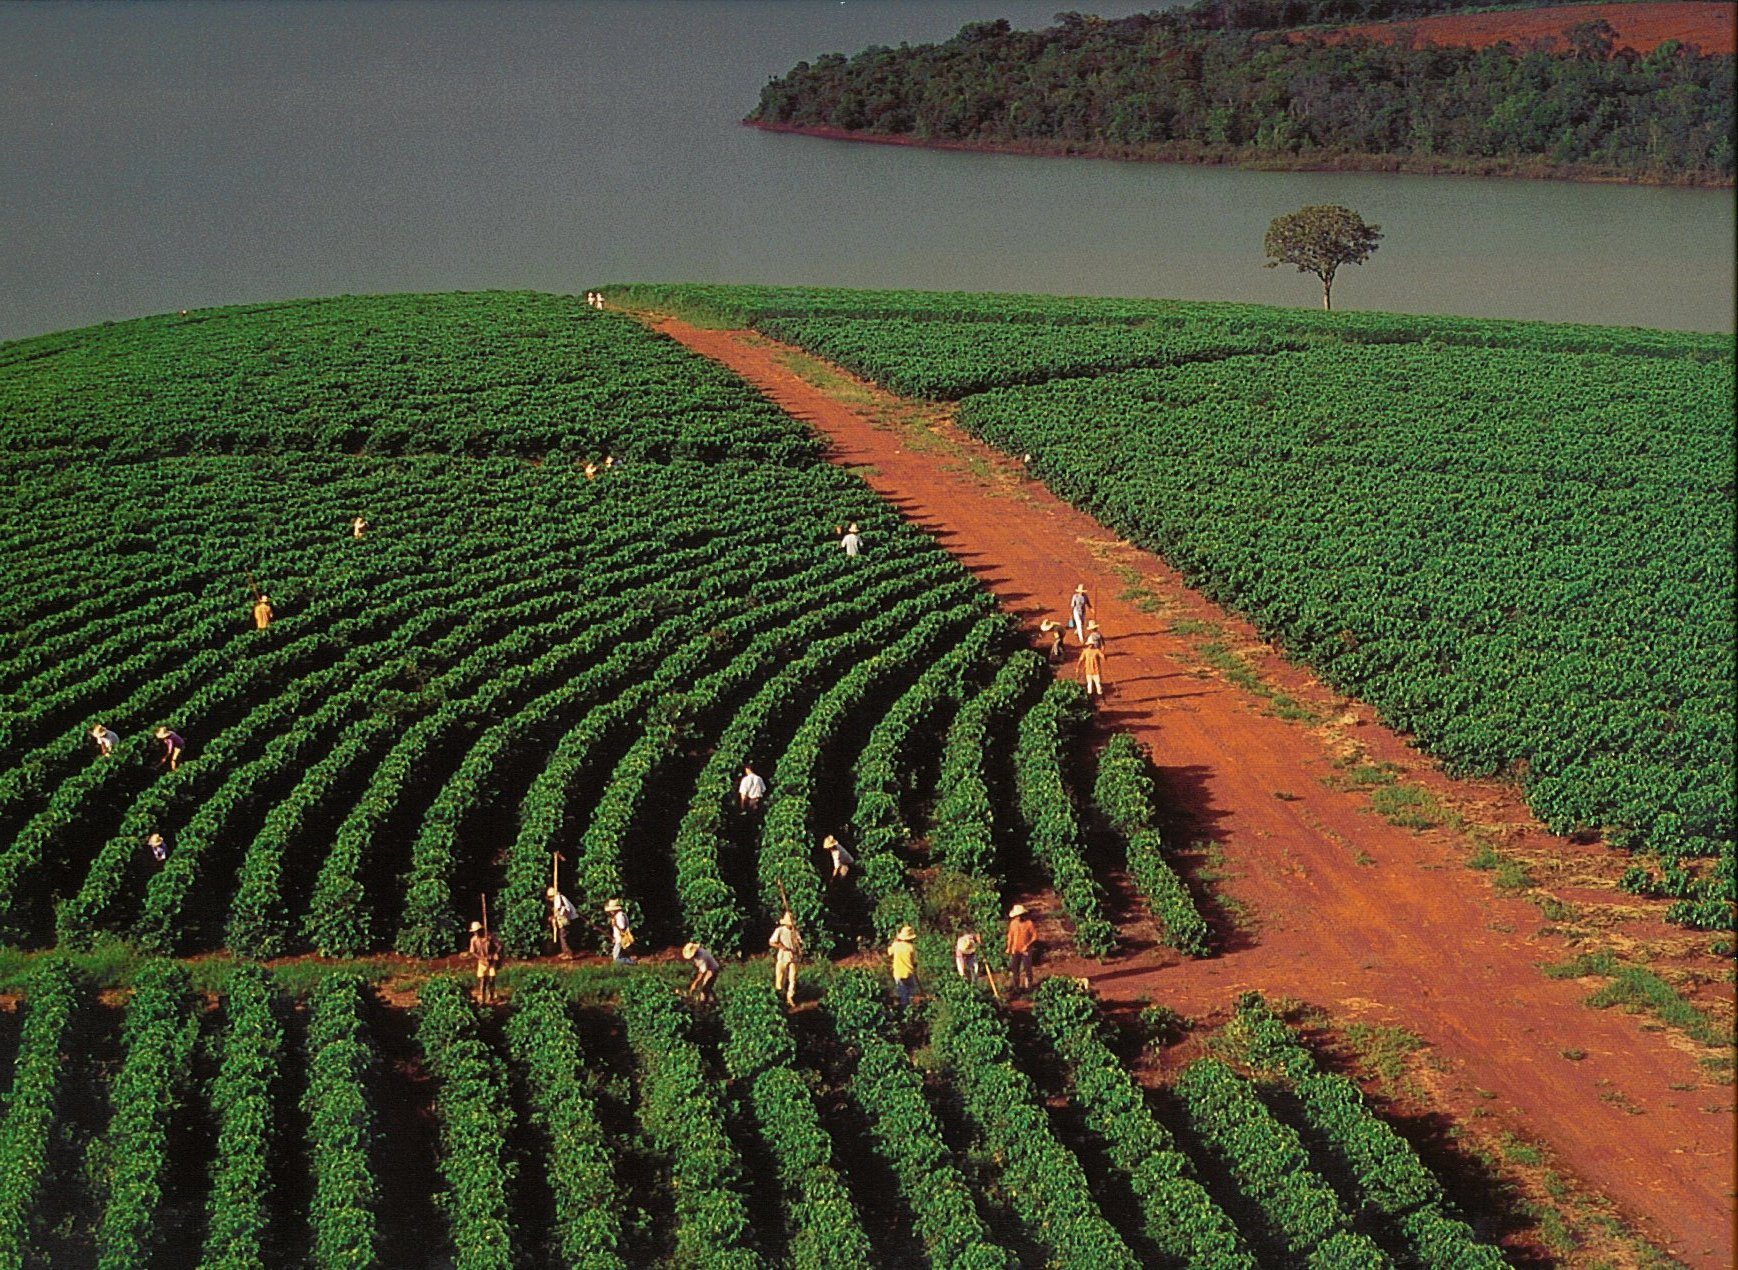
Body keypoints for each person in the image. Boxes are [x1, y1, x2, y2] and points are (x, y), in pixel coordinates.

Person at [768, 911, 802, 1008]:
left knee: (793, 979)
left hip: (793, 957)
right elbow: (771, 942)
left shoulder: (795, 931)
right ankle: (779, 998)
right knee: (780, 978)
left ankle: (790, 997)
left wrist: (798, 945)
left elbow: (799, 943)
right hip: (783, 957)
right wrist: (782, 946)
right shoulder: (780, 930)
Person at [468, 920, 504, 1004]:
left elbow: (499, 945)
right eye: (475, 932)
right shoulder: (473, 940)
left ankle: (491, 997)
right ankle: (483, 999)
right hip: (482, 962)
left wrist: (495, 954)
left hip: (491, 961)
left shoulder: (489, 937)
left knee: (492, 979)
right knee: (483, 980)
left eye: (477, 931)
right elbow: (473, 952)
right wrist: (481, 958)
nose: (476, 933)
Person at [1005, 903, 1038, 993]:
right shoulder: (1013, 924)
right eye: (1017, 916)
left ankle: (1029, 987)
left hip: (1026, 950)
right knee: (1015, 969)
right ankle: (1017, 987)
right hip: (1015, 949)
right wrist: (1009, 947)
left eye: (1020, 915)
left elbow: (1035, 936)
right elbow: (1010, 936)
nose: (1018, 917)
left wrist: (1027, 945)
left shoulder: (1029, 923)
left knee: (1027, 968)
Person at [888, 925, 919, 1009]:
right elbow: (914, 962)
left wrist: (894, 942)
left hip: (898, 973)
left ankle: (904, 1009)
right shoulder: (911, 947)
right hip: (909, 972)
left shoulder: (896, 946)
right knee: (911, 992)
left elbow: (889, 952)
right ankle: (910, 1009)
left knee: (903, 993)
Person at [547, 886, 579, 958]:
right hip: (565, 920)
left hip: (567, 920)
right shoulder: (559, 899)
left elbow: (561, 910)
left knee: (563, 936)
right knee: (562, 936)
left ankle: (568, 953)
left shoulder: (559, 899)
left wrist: (554, 917)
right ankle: (565, 951)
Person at [604, 898, 636, 964]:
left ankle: (632, 963)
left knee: (616, 957)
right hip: (619, 938)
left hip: (621, 939)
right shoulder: (619, 915)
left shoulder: (619, 916)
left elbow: (622, 927)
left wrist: (615, 924)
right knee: (617, 955)